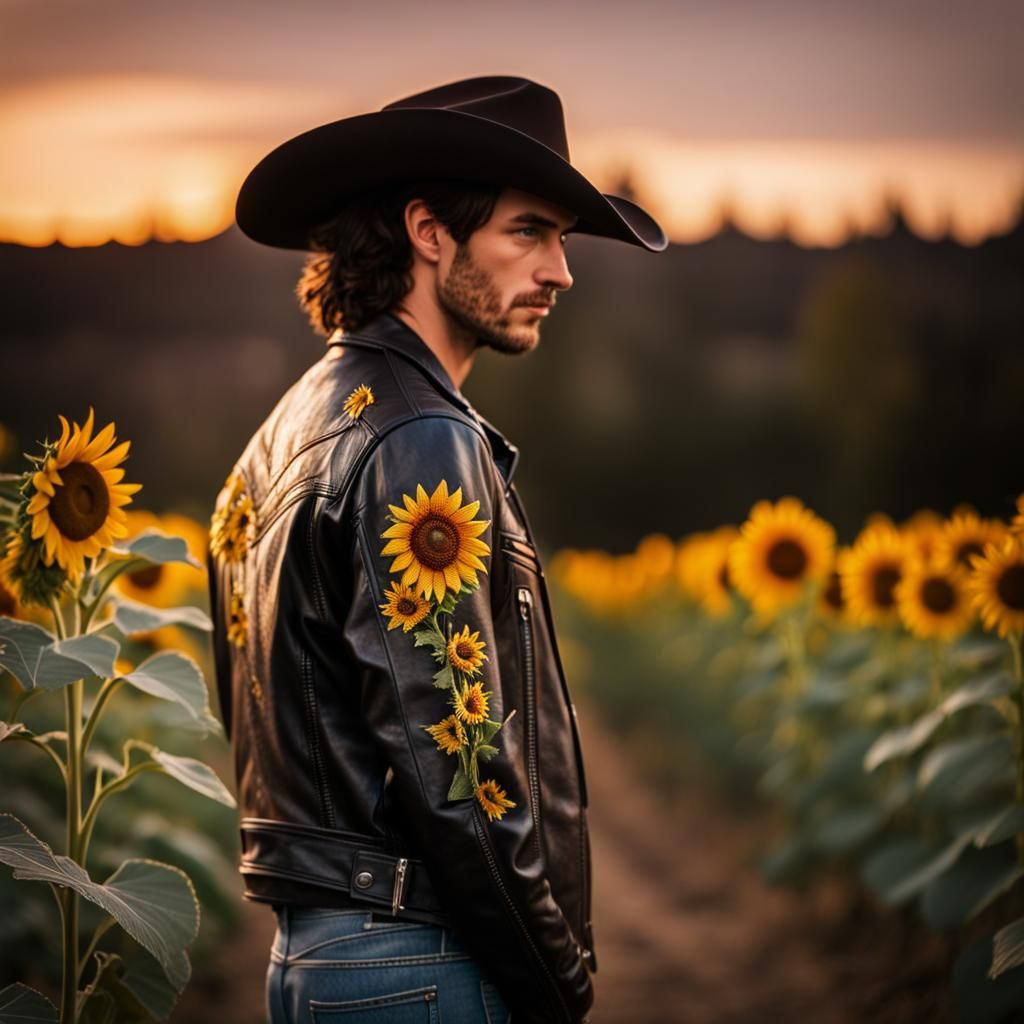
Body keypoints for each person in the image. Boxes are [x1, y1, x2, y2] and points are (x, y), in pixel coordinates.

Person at [207, 75, 666, 1024]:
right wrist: (556, 980)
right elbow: (458, 771)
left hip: (312, 963)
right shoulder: (421, 438)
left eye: (563, 241)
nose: (561, 272)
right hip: (418, 962)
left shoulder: (279, 435)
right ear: (429, 232)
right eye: (529, 232)